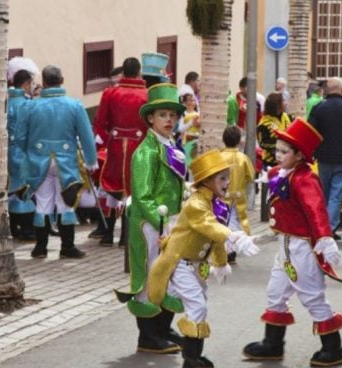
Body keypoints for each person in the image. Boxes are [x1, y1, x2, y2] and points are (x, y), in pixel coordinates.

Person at [242, 118, 342, 367]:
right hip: (285, 245)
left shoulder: (305, 179)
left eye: (284, 151)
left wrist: (325, 238)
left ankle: (333, 348)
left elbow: (316, 210)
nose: (277, 155)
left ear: (299, 155)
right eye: (276, 150)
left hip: (303, 248)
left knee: (311, 296)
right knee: (276, 292)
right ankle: (272, 344)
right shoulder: (282, 173)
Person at [147, 149, 259, 368]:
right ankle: (189, 358)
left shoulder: (216, 204)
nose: (228, 182)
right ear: (207, 181)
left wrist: (221, 263)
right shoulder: (197, 205)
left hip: (197, 267)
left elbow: (214, 238)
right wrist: (234, 237)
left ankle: (191, 354)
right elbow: (211, 227)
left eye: (228, 176)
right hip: (179, 263)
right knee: (197, 306)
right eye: (222, 178)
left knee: (197, 305)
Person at [114, 83, 187, 354]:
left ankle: (162, 328)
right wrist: (160, 223)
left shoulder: (169, 146)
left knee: (170, 275)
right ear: (150, 119)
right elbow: (143, 195)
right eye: (163, 115)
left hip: (168, 222)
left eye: (173, 115)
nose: (170, 120)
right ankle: (148, 336)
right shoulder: (145, 152)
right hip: (149, 224)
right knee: (149, 274)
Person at [15, 65, 97, 259]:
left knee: (43, 203)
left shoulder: (30, 106)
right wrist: (91, 160)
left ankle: (40, 247)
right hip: (65, 161)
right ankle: (67, 247)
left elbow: (19, 136)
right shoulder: (74, 105)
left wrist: (29, 152)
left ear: (44, 82)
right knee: (65, 204)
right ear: (62, 79)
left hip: (39, 159)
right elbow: (86, 136)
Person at [92, 57, 147, 245]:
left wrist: (107, 138)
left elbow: (100, 122)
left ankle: (107, 234)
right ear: (139, 72)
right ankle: (127, 236)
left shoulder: (110, 93)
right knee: (133, 190)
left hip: (115, 146)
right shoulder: (147, 95)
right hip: (139, 147)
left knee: (112, 188)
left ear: (123, 72)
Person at [309, 77, 342, 239]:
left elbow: (311, 131)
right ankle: (329, 228)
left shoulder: (318, 108)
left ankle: (320, 226)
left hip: (323, 157)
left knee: (323, 193)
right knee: (336, 194)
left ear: (327, 90)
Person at [6, 57, 41, 242]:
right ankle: (27, 229)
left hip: (7, 151)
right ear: (26, 84)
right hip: (23, 151)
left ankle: (13, 227)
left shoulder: (5, 102)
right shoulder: (27, 105)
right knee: (25, 190)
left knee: (11, 189)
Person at [220, 125, 256, 264]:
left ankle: (226, 249)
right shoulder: (243, 158)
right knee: (236, 221)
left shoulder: (220, 156)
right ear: (239, 140)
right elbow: (250, 176)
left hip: (222, 195)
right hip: (239, 196)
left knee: (224, 221)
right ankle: (232, 249)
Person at [257, 92, 291, 169]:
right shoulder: (264, 123)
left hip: (287, 162)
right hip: (271, 163)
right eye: (283, 101)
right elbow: (263, 143)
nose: (285, 103)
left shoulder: (285, 116)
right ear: (276, 105)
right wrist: (280, 143)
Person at [177, 93, 201, 165]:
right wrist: (190, 123)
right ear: (185, 102)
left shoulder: (198, 114)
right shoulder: (183, 114)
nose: (191, 102)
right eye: (189, 101)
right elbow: (180, 129)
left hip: (196, 141)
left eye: (193, 100)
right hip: (186, 141)